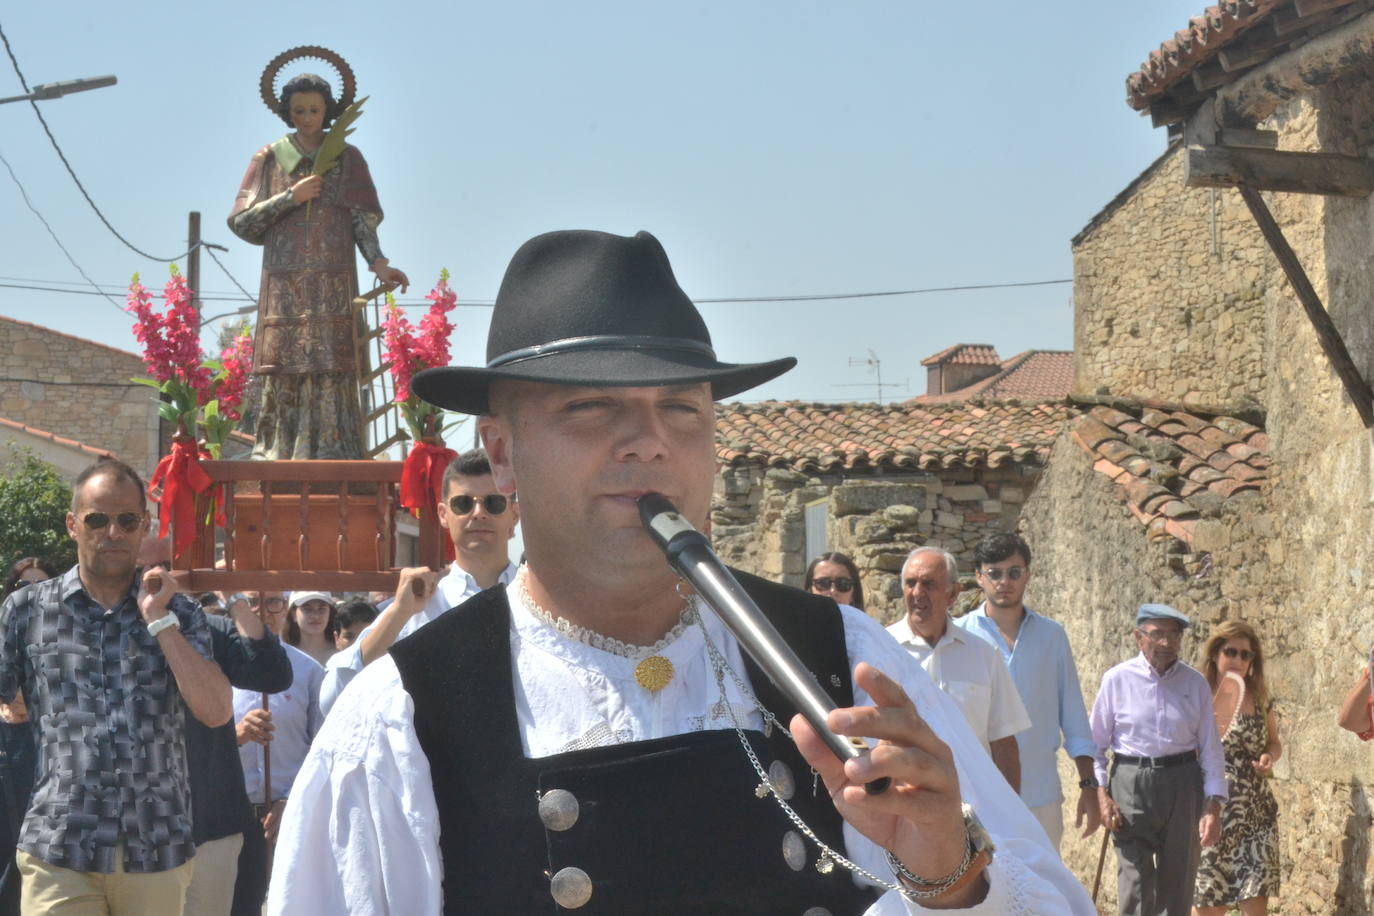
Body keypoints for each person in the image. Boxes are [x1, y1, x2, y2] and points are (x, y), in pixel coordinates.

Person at [271, 229, 1092, 913]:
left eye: (682, 410)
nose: (649, 442)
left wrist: (948, 878)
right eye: (590, 408)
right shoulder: (401, 718)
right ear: (502, 453)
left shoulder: (839, 654)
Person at [0, 458, 232, 914]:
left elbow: (216, 710)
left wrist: (159, 620)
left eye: (127, 521)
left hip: (155, 844)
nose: (113, 533)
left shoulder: (178, 613)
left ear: (144, 526)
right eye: (97, 520)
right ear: (73, 525)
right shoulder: (26, 610)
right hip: (60, 844)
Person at [228, 68, 409, 459]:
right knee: (282, 365)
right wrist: (289, 198)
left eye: (314, 109)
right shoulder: (270, 157)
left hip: (334, 281)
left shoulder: (347, 158)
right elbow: (242, 222)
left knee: (332, 364)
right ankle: (279, 449)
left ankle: (333, 448)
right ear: (287, 113)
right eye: (299, 110)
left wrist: (378, 264)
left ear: (328, 111)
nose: (307, 117)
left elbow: (361, 220)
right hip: (283, 285)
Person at [319, 448, 520, 716]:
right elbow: (335, 697)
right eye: (463, 504)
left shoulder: (541, 598)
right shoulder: (415, 605)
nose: (478, 513)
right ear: (442, 514)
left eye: (494, 503)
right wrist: (399, 613)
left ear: (515, 515)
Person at [954, 532, 1100, 853]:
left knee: (1044, 894)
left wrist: (1089, 786)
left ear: (1028, 575)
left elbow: (1074, 717)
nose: (1004, 581)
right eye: (994, 573)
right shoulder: (959, 638)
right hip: (978, 798)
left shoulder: (1053, 636)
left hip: (1040, 796)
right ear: (979, 577)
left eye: (1014, 572)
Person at [1091, 604, 1226, 916]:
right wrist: (1101, 794)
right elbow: (1095, 746)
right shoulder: (1117, 680)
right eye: (1158, 634)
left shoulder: (1195, 684)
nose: (1166, 643)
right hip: (1130, 782)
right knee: (1135, 885)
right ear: (1139, 637)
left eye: (1174, 635)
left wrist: (1213, 806)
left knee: (1178, 885)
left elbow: (1210, 749)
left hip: (1183, 783)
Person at [886, 546, 1031, 791]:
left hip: (974, 805)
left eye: (929, 584)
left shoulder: (984, 655)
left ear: (952, 594)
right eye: (911, 583)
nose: (917, 592)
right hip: (905, 805)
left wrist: (1009, 818)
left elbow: (1003, 742)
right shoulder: (882, 651)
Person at [1192, 621, 1280, 916]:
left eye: (1247, 655)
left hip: (1256, 814)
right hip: (1212, 812)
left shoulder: (1261, 697)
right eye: (1232, 651)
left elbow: (1275, 742)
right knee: (1208, 902)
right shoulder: (1197, 693)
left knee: (1255, 901)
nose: (1239, 660)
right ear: (1216, 653)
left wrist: (1268, 756)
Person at [0, 558, 57, 916]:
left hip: (44, 803)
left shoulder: (67, 646)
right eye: (23, 587)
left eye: (42, 586)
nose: (32, 595)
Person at [283, 591, 339, 667]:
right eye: (307, 609)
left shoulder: (342, 654)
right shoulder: (283, 657)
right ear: (293, 614)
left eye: (321, 609)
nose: (316, 616)